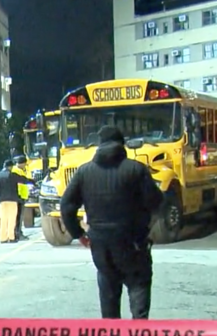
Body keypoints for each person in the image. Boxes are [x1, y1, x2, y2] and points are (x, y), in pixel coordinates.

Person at [59, 126, 163, 319]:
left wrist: (78, 234)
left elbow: (66, 205)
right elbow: (156, 201)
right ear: (122, 145)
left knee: (108, 293)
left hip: (100, 244)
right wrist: (146, 223)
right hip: (133, 242)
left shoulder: (84, 172)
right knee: (138, 286)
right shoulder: (136, 169)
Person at [0, 159, 20, 243]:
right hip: (13, 200)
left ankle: (3, 238)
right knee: (12, 219)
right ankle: (11, 237)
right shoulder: (12, 175)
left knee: (3, 219)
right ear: (10, 167)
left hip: (2, 201)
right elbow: (23, 180)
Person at [11, 155, 31, 240]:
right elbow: (19, 184)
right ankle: (17, 233)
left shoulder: (19, 170)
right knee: (18, 216)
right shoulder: (16, 171)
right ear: (22, 163)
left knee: (19, 216)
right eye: (25, 164)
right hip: (19, 196)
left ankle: (18, 232)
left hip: (21, 196)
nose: (26, 165)